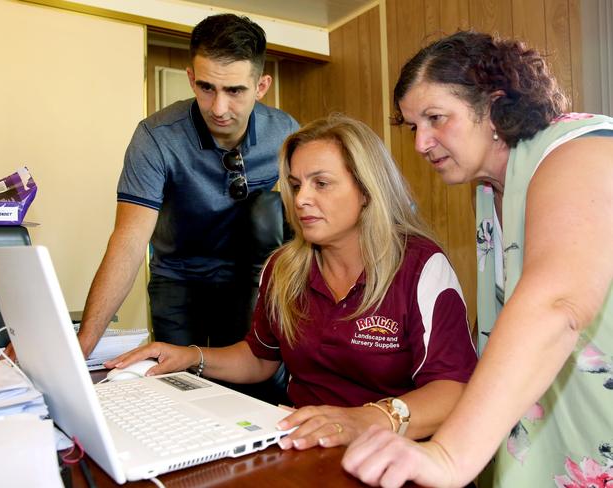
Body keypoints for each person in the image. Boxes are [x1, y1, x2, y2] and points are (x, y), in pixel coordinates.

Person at [106, 114, 477, 450]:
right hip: (304, 445)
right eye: (296, 185)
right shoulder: (283, 267)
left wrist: (365, 419)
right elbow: (259, 357)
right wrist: (189, 356)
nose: (301, 199)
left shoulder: (420, 266)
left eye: (322, 183)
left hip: (392, 452)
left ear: (366, 191)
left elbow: (455, 390)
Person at [342, 31, 613, 488]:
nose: (421, 144)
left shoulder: (579, 151)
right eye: (414, 126)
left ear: (493, 105)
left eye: (436, 118)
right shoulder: (489, 191)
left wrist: (448, 455)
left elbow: (557, 303)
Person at [75, 13, 299, 357]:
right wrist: (82, 345)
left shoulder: (285, 134)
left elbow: (309, 220)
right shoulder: (155, 137)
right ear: (191, 78)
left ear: (261, 86)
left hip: (249, 279)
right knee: (175, 380)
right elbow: (130, 240)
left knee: (245, 383)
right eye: (206, 88)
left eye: (235, 90)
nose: (219, 108)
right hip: (176, 278)